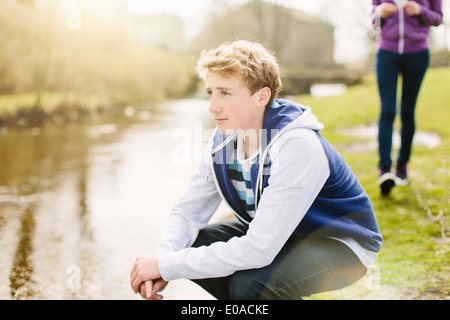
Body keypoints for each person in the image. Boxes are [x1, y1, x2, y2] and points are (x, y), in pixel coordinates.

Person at [130, 40, 383, 300]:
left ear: (261, 96)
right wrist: (163, 257)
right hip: (281, 234)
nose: (213, 106)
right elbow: (188, 211)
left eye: (225, 93)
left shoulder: (297, 145)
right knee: (192, 243)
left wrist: (168, 265)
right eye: (210, 92)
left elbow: (260, 249)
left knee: (252, 286)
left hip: (339, 242)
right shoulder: (222, 141)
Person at [372, 0, 443, 196]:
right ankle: (384, 169)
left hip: (418, 53)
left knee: (407, 111)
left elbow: (438, 18)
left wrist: (421, 10)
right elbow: (374, 22)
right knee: (387, 110)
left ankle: (402, 165)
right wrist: (379, 12)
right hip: (387, 53)